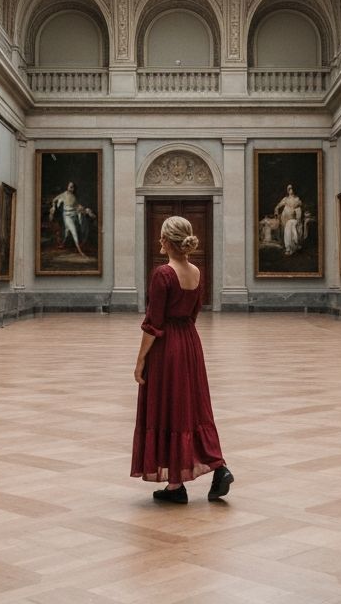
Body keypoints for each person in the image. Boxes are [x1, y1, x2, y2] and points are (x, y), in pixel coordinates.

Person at [131, 215, 233, 504]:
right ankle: (214, 468)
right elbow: (193, 314)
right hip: (190, 343)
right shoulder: (197, 273)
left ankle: (177, 486)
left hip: (167, 348)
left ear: (166, 241)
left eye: (161, 237)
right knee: (195, 409)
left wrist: (140, 361)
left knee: (169, 409)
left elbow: (153, 322)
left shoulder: (163, 274)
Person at [48, 181, 94, 258]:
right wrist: (53, 207)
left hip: (74, 214)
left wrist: (85, 210)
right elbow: (54, 200)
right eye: (70, 187)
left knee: (67, 232)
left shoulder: (73, 196)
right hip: (67, 216)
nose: (72, 189)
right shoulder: (63, 195)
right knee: (74, 232)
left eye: (73, 187)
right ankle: (81, 252)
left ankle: (63, 243)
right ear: (67, 187)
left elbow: (77, 206)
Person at [274, 183, 303, 256]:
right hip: (286, 219)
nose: (291, 190)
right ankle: (288, 248)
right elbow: (278, 206)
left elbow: (299, 208)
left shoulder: (297, 199)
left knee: (293, 229)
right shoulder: (285, 199)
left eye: (292, 189)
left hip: (294, 218)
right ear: (288, 190)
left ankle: (293, 247)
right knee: (287, 229)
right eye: (289, 189)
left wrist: (298, 216)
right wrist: (276, 212)